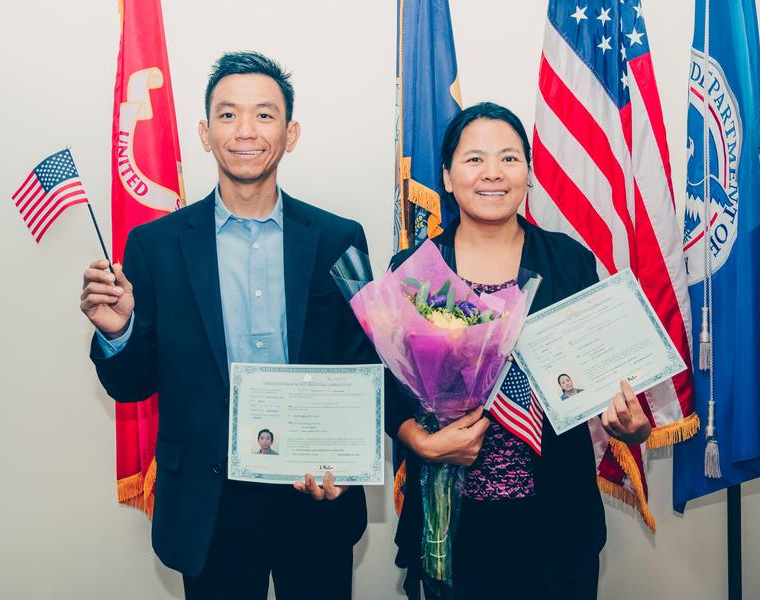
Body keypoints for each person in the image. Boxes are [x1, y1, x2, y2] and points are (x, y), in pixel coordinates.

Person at [81, 51, 373, 599]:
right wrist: (117, 333)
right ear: (204, 132)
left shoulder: (339, 238)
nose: (246, 131)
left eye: (264, 115)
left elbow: (364, 363)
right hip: (207, 501)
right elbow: (132, 384)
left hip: (312, 492)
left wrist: (347, 456)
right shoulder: (156, 245)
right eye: (228, 114)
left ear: (290, 133)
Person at [385, 102, 652, 599]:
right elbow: (388, 387)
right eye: (474, 159)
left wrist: (630, 423)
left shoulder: (568, 261)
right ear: (446, 175)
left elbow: (604, 371)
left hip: (554, 527)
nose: (492, 173)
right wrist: (418, 442)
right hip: (451, 525)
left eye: (509, 158)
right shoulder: (416, 268)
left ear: (527, 173)